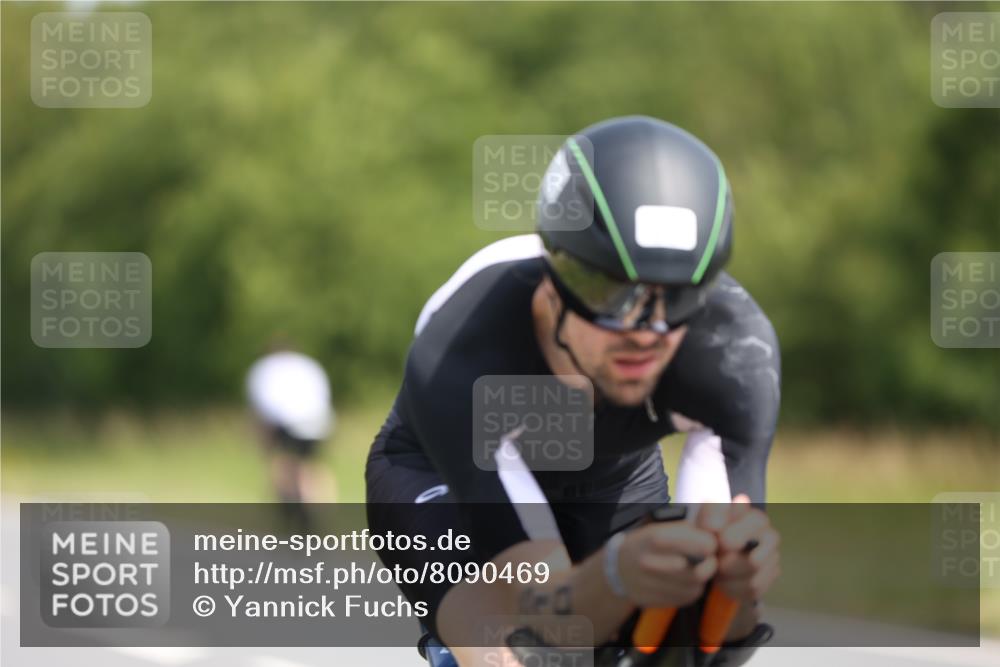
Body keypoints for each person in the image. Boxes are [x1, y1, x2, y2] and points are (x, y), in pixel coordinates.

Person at [366, 116, 782, 666]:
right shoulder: (463, 350)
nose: (646, 331)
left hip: (612, 473)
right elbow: (538, 604)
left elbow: (716, 628)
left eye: (679, 297)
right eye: (611, 293)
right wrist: (614, 575)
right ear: (555, 277)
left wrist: (728, 592)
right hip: (438, 473)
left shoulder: (732, 353)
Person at [247, 343, 337, 531]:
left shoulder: (265, 369)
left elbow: (263, 408)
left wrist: (263, 442)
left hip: (287, 421)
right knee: (311, 466)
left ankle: (291, 512)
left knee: (283, 464)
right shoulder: (309, 365)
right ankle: (318, 511)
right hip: (318, 422)